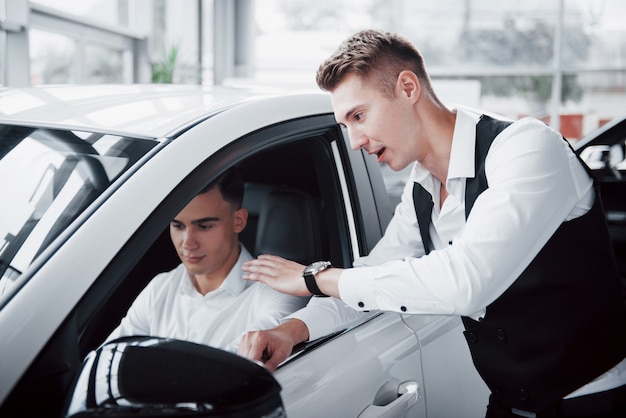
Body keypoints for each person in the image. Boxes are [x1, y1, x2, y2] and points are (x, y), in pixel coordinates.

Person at [238, 29, 626, 417]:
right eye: (345, 126)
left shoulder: (526, 147)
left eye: (359, 116)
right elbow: (371, 278)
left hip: (592, 402)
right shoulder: (421, 190)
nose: (354, 141)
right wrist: (292, 330)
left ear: (408, 88)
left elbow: (468, 282)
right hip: (509, 404)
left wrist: (314, 277)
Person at [105, 167, 306, 353]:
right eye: (178, 226)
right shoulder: (159, 289)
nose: (187, 244)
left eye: (204, 227)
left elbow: (229, 374)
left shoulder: (275, 297)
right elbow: (109, 362)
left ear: (239, 221)